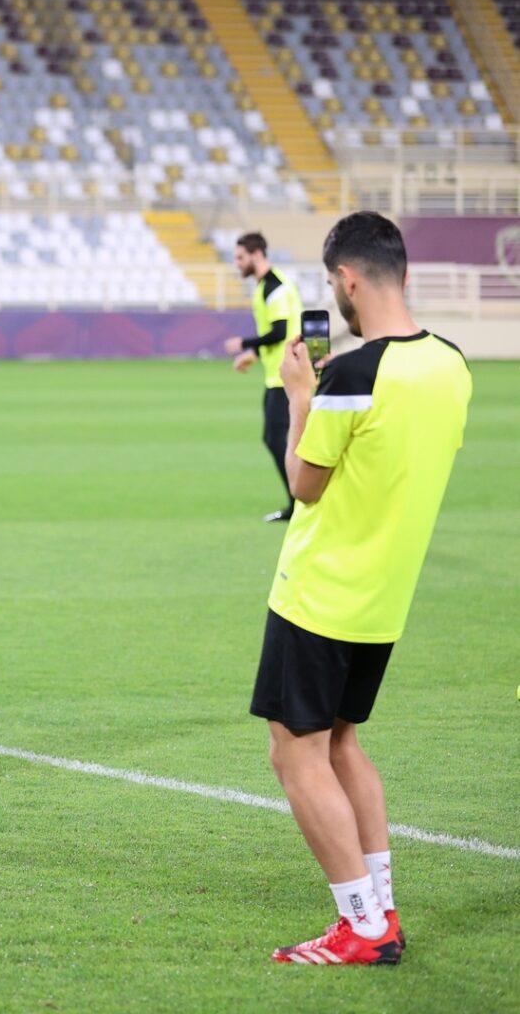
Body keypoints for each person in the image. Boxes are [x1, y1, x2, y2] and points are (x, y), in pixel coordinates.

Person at [249, 211, 471, 964]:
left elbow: (304, 483)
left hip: (319, 591)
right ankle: (381, 911)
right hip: (385, 598)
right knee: (342, 742)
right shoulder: (452, 365)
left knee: (295, 753)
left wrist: (298, 397)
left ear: (347, 279)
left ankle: (363, 927)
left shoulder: (351, 374)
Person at [224, 232, 303, 522]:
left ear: (256, 255)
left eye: (240, 257)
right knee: (275, 438)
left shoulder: (274, 287)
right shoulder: (265, 286)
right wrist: (254, 354)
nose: (237, 263)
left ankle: (300, 501)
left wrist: (245, 343)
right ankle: (298, 501)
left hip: (287, 375)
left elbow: (280, 331)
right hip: (278, 374)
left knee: (276, 438)